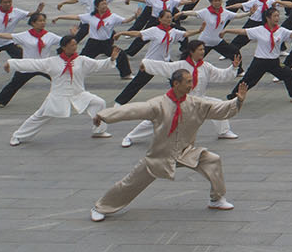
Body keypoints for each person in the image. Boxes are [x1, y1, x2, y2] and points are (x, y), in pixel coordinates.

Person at [89, 71, 247, 221]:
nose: (191, 85)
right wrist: (104, 115)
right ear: (176, 84)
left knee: (212, 160)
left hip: (186, 152)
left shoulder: (196, 103)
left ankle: (216, 199)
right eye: (188, 82)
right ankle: (100, 208)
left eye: (191, 81)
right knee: (129, 183)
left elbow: (218, 109)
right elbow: (132, 110)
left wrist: (237, 100)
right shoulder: (158, 104)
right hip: (159, 156)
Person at [5, 36, 121, 145]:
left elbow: (97, 64)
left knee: (99, 102)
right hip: (58, 95)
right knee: (39, 116)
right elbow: (33, 63)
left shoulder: (81, 60)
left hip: (78, 93)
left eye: (75, 44)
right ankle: (18, 136)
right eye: (71, 45)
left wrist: (110, 59)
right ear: (64, 47)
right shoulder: (52, 61)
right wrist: (11, 63)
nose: (75, 47)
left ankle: (99, 131)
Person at [122, 41, 241, 146]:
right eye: (200, 49)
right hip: (179, 100)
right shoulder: (180, 65)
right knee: (157, 118)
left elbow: (221, 75)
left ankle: (224, 131)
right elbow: (163, 66)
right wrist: (146, 64)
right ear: (191, 51)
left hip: (199, 99)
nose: (203, 52)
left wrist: (233, 68)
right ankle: (130, 136)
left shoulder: (206, 66)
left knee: (218, 105)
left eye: (203, 49)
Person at [220, 6, 292, 102]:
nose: (277, 18)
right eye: (275, 16)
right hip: (259, 61)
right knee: (247, 81)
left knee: (290, 74)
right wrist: (227, 30)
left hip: (274, 62)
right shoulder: (260, 29)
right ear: (268, 18)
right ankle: (233, 97)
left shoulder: (281, 31)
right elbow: (243, 31)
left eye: (278, 16)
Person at [0, 12, 71, 109]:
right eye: (40, 21)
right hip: (28, 65)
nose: (42, 23)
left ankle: (72, 98)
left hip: (44, 65)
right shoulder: (25, 35)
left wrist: (73, 35)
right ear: (33, 23)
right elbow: (10, 36)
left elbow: (65, 41)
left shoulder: (49, 36)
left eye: (44, 21)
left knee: (60, 79)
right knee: (14, 84)